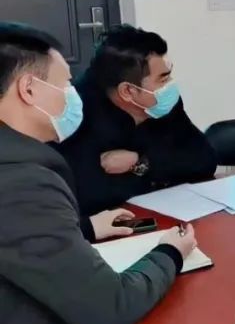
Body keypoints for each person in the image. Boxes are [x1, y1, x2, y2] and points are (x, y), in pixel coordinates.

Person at [0, 23, 195, 324]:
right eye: (64, 84)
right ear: (28, 89)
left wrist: (85, 228)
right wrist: (170, 254)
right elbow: (108, 308)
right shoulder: (21, 178)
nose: (73, 96)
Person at [58, 25, 216, 214]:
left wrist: (140, 162)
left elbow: (204, 159)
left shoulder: (162, 102)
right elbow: (90, 195)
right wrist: (165, 167)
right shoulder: (75, 115)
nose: (170, 85)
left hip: (167, 211)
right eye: (163, 79)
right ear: (128, 91)